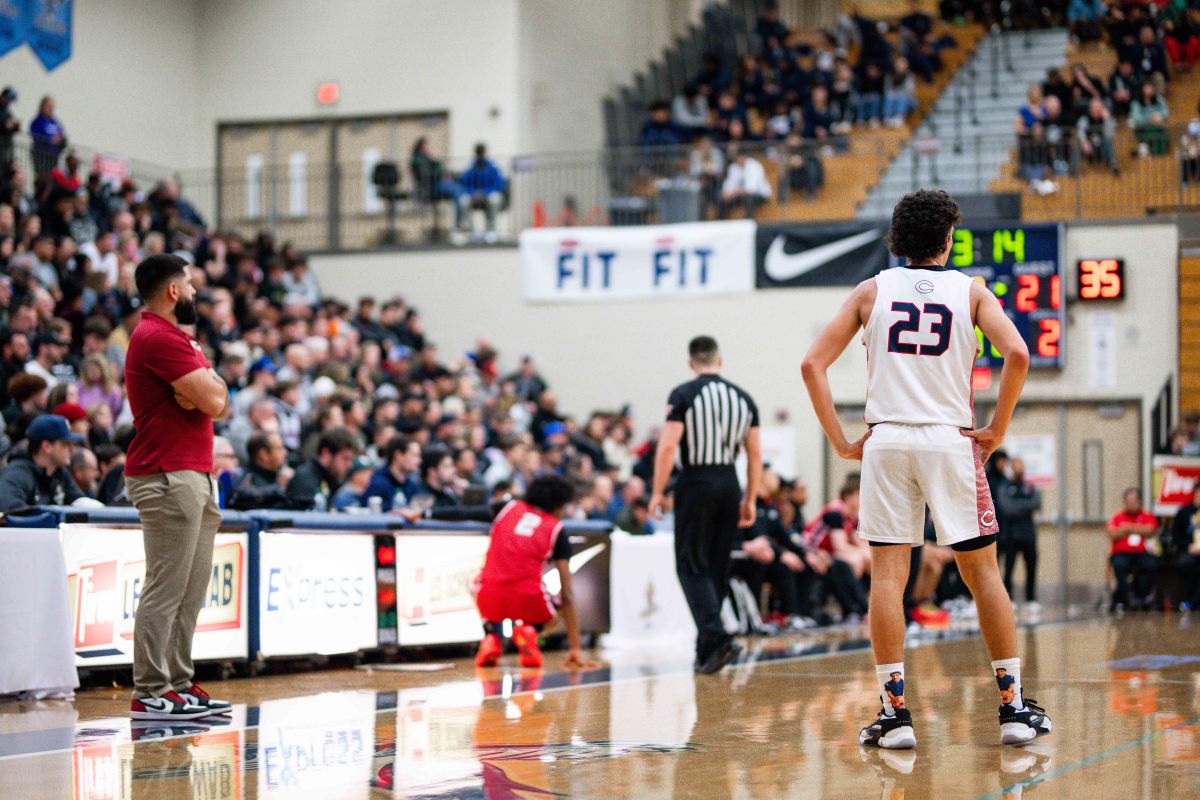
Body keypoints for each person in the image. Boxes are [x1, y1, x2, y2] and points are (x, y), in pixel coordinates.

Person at [801, 189, 1051, 749]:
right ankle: (1012, 709)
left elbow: (811, 364)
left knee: (888, 580)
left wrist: (842, 442)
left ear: (896, 240)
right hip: (949, 439)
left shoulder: (871, 291)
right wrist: (997, 429)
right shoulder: (972, 290)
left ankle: (894, 717)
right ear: (947, 240)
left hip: (886, 442)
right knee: (983, 576)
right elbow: (1018, 354)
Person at [123, 253, 231, 721]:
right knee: (166, 587)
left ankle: (178, 684)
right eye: (188, 284)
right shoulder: (157, 337)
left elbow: (216, 400)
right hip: (167, 473)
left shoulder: (178, 339)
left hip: (195, 472)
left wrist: (208, 390)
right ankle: (150, 690)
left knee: (191, 589)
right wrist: (206, 389)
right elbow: (213, 398)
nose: (193, 292)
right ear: (172, 291)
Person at [649, 335, 762, 674]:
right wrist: (751, 498)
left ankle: (717, 636)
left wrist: (657, 491)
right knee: (714, 567)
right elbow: (754, 455)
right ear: (720, 360)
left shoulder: (683, 393)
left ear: (691, 363)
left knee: (690, 565)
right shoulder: (743, 398)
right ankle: (706, 653)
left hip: (696, 482)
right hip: (730, 482)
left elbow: (669, 446)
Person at [470, 474, 596, 670]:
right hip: (528, 597)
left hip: (488, 595)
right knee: (556, 608)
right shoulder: (556, 529)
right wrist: (575, 648)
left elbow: (464, 512)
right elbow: (568, 594)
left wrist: (426, 513)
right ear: (558, 505)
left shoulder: (508, 507)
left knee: (477, 583)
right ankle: (530, 630)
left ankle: (491, 637)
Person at [0, 414, 84, 510]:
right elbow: (10, 512)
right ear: (46, 446)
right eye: (65, 444)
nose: (72, 450)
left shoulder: (59, 472)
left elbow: (79, 501)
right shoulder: (15, 474)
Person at [998, 458, 1042, 610]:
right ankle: (1008, 598)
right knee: (1009, 568)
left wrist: (1017, 506)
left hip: (1028, 535)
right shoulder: (1005, 487)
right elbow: (1007, 508)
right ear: (1011, 468)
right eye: (1016, 467)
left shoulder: (1029, 487)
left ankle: (1031, 599)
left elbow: (1036, 503)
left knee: (1031, 568)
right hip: (1011, 536)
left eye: (1021, 466)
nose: (1019, 469)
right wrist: (1025, 507)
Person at [1106, 488, 1159, 610]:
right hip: (1122, 553)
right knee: (1119, 564)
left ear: (1139, 501)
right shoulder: (1117, 517)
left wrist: (1127, 528)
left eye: (1133, 501)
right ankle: (1127, 596)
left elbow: (1150, 530)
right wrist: (1139, 529)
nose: (1130, 504)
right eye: (1127, 501)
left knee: (1151, 564)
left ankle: (1142, 597)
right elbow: (1112, 533)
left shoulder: (1147, 516)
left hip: (1142, 552)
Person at [285, 426, 359, 511]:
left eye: (351, 459)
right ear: (326, 453)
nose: (350, 465)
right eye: (345, 458)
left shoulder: (331, 478)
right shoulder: (305, 480)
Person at [228, 430, 291, 510]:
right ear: (264, 454)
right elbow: (236, 498)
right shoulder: (247, 480)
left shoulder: (274, 478)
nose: (285, 453)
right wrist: (278, 489)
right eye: (279, 448)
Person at [456, 143, 507, 241]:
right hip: (474, 196)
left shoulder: (492, 167)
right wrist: (473, 192)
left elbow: (499, 184)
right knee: (463, 201)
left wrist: (485, 192)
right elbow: (465, 184)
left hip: (488, 195)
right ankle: (472, 232)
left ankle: (490, 230)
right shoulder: (472, 167)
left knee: (495, 199)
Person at [1167, 484, 1200, 611]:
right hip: (1189, 550)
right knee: (1185, 563)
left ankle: (1194, 601)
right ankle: (1189, 600)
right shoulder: (1184, 512)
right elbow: (1176, 536)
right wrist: (1188, 546)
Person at [719, 147, 772, 219]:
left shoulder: (754, 165)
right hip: (740, 195)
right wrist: (726, 193)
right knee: (723, 200)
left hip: (760, 195)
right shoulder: (733, 167)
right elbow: (729, 184)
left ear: (744, 156)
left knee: (748, 198)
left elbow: (751, 189)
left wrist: (733, 193)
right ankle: (722, 223)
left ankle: (749, 221)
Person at [29, 95, 66, 180]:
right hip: (42, 156)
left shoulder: (55, 122)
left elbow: (61, 133)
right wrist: (50, 140)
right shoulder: (37, 121)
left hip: (54, 156)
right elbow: (36, 136)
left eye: (52, 106)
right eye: (48, 106)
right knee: (43, 179)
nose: (50, 108)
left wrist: (61, 140)